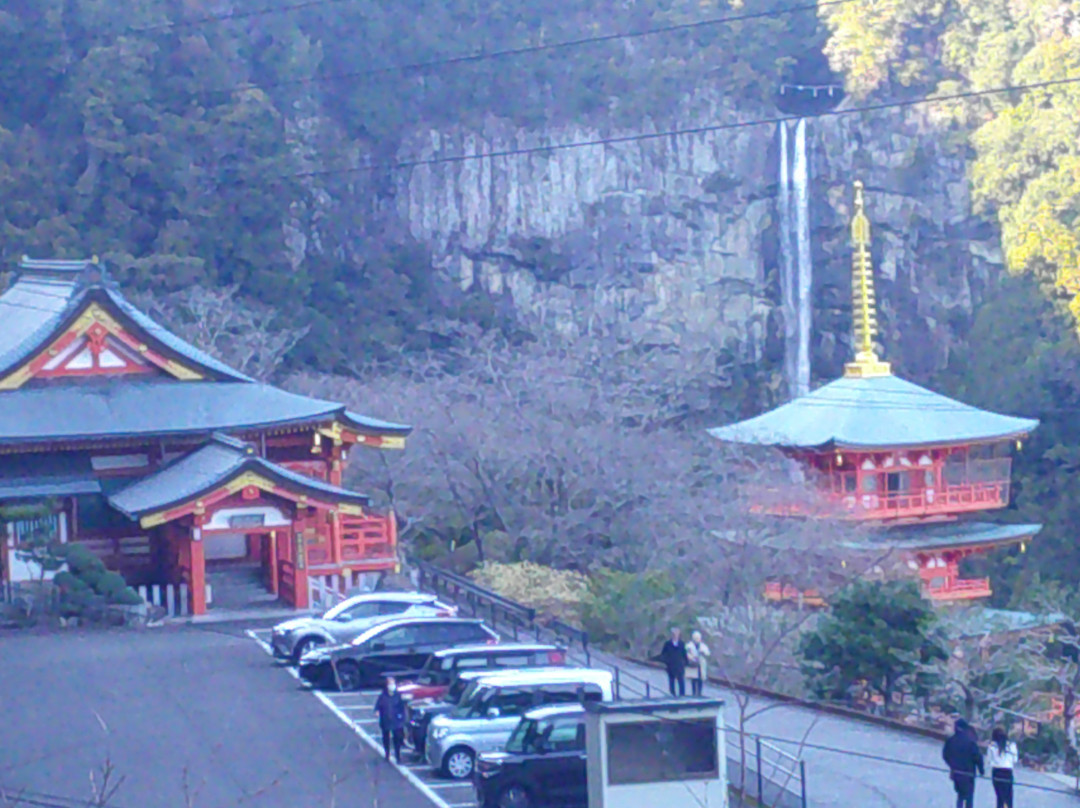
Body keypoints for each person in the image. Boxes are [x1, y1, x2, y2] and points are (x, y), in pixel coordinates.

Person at [942, 718, 984, 808]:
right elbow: (977, 757)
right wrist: (981, 770)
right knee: (969, 797)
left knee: (960, 795)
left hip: (956, 772)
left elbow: (945, 755)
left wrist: (952, 765)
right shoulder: (971, 741)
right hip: (969, 772)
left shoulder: (950, 740)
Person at [374, 676, 407, 763]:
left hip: (396, 720)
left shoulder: (398, 696)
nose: (392, 685)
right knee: (386, 738)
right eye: (390, 684)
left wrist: (401, 718)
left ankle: (398, 756)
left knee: (397, 738)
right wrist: (377, 711)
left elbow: (402, 707)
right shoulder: (382, 696)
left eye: (393, 683)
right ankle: (387, 754)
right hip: (385, 720)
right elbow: (378, 706)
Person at [986, 726, 1018, 808]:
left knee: (1000, 797)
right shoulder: (1012, 745)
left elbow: (989, 760)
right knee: (1008, 797)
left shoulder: (992, 746)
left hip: (997, 771)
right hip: (1007, 771)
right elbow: (1015, 760)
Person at [657, 627, 688, 697]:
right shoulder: (667, 644)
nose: (675, 635)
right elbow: (663, 654)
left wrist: (686, 663)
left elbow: (684, 654)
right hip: (671, 665)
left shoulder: (682, 644)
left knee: (681, 681)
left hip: (679, 665)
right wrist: (666, 662)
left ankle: (682, 695)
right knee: (671, 681)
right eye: (674, 634)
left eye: (677, 634)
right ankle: (672, 694)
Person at [686, 630, 711, 696]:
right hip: (693, 664)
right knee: (694, 679)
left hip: (701, 665)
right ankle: (694, 693)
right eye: (696, 638)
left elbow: (708, 653)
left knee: (700, 680)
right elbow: (686, 654)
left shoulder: (703, 646)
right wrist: (691, 657)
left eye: (698, 638)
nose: (697, 639)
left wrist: (703, 653)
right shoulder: (689, 646)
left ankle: (699, 693)